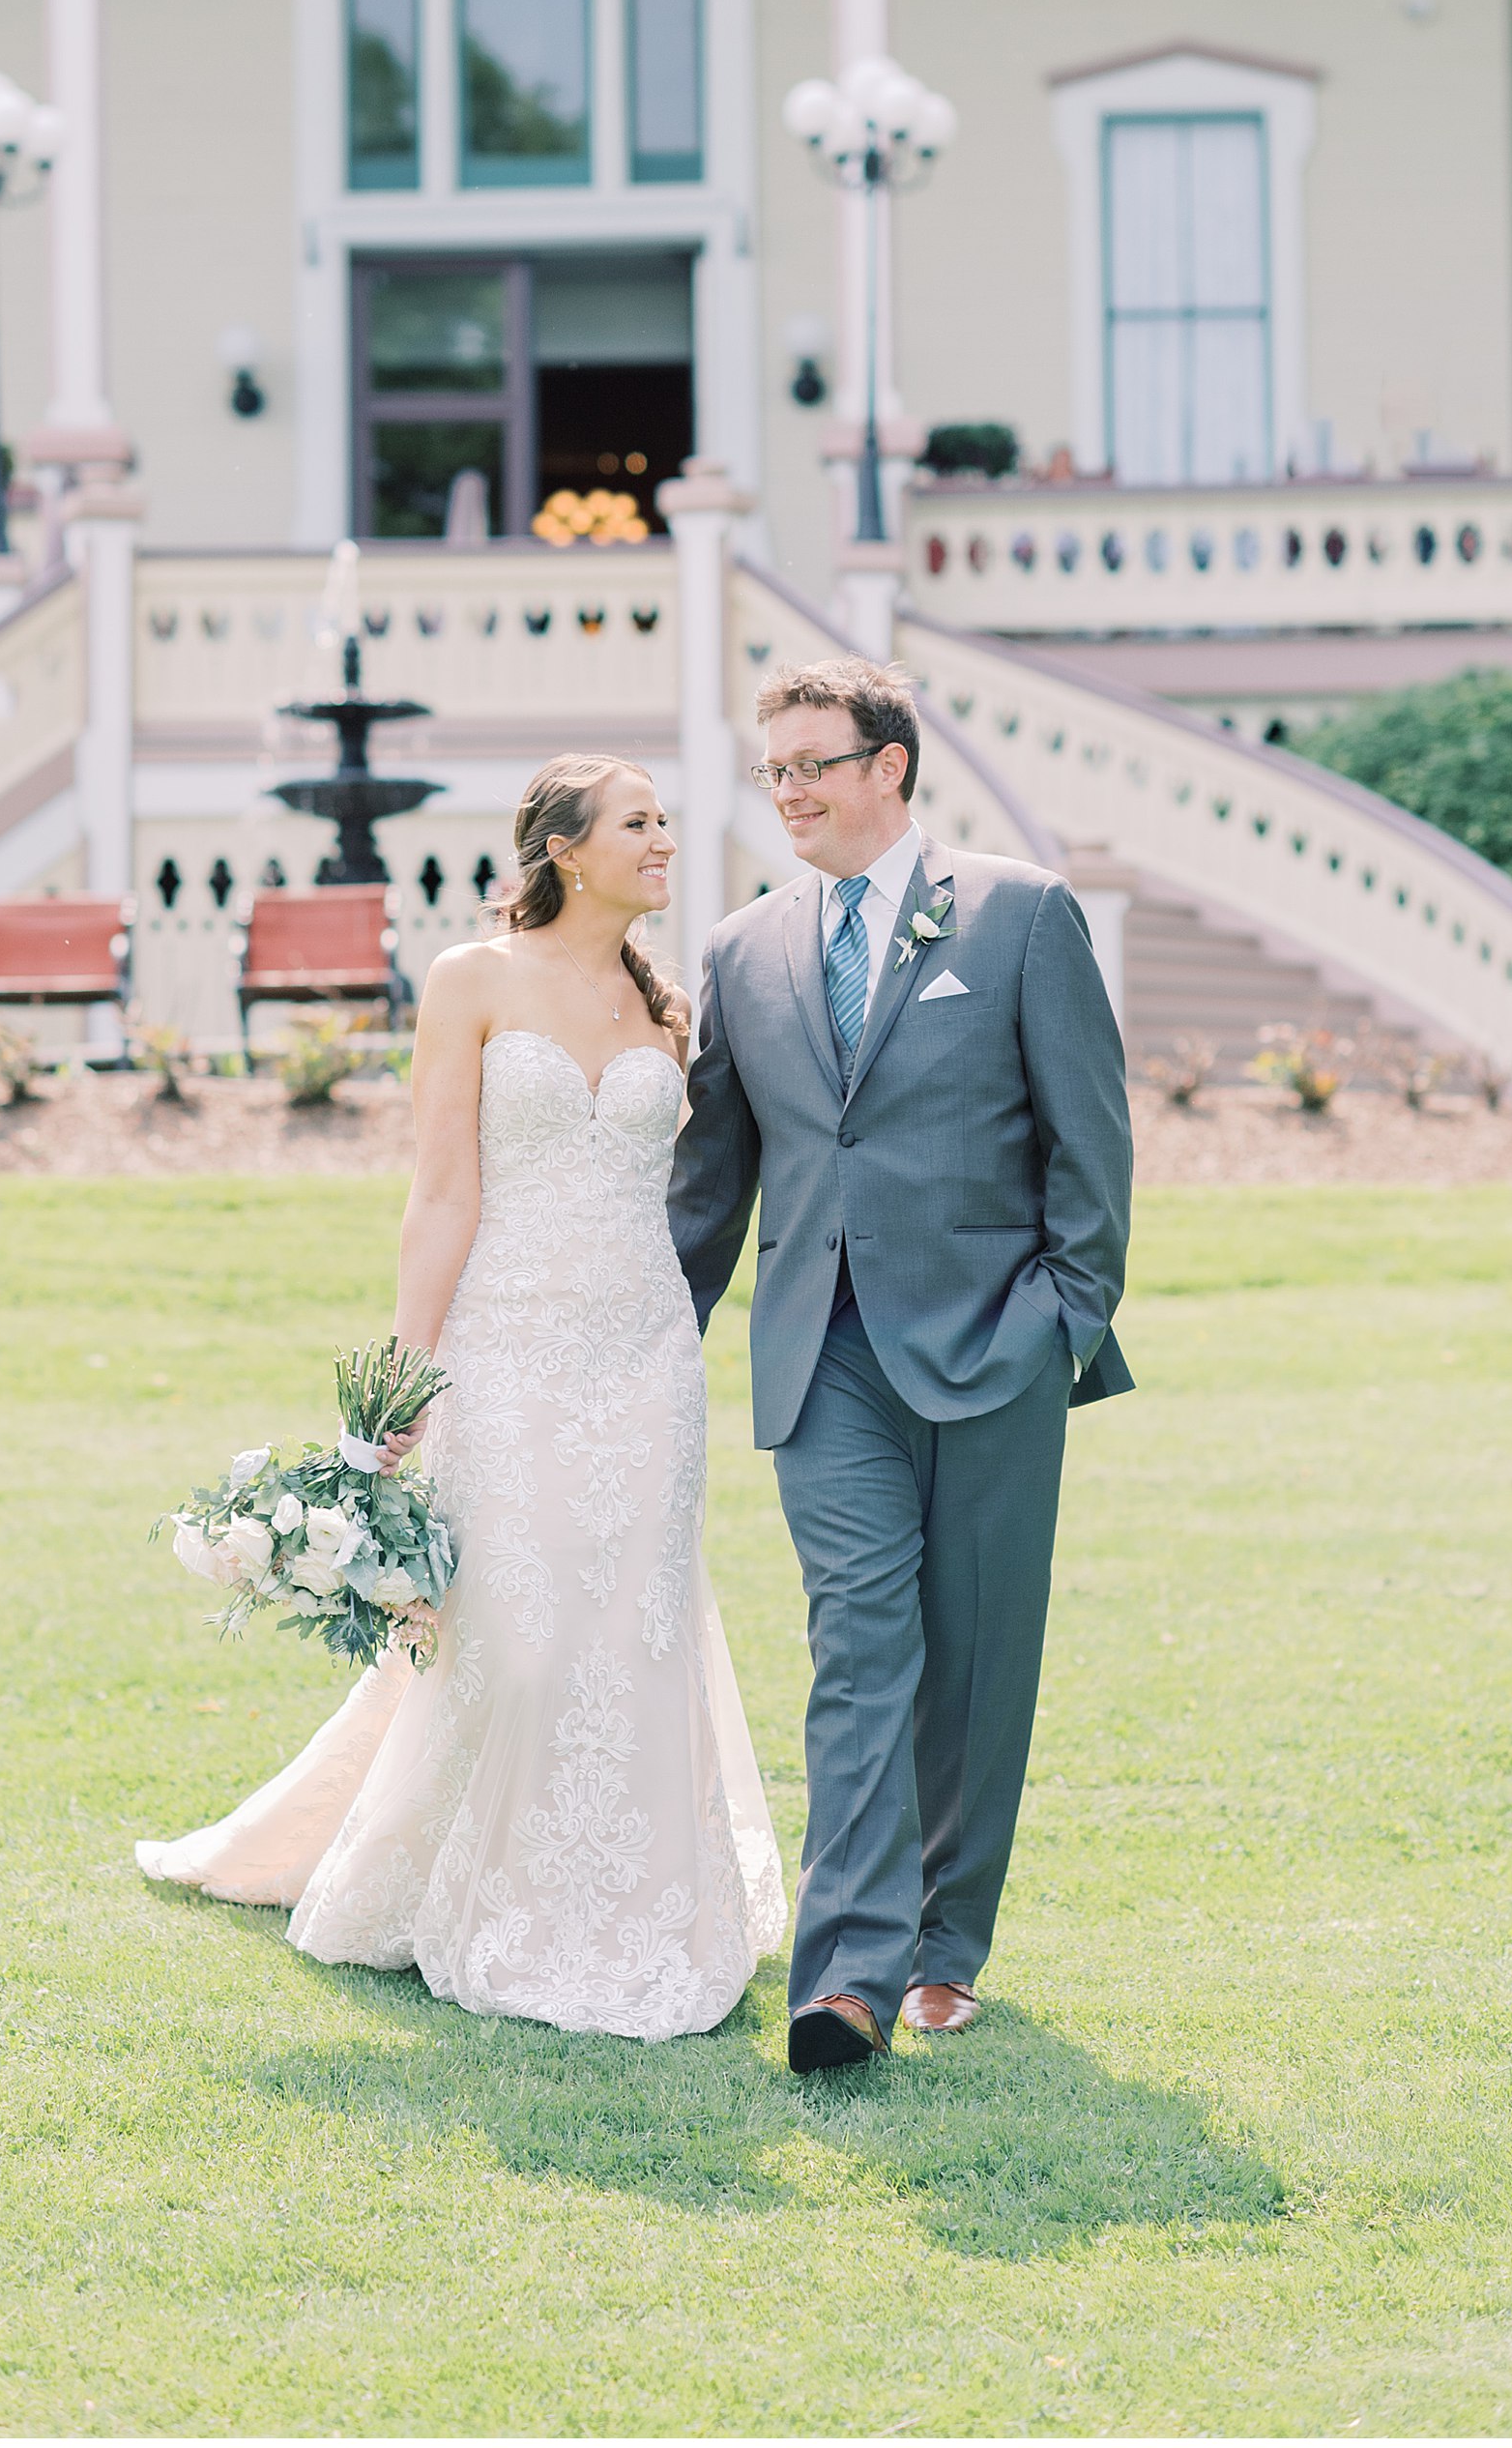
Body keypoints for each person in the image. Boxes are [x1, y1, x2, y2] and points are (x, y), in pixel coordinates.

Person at [137, 754, 784, 2042]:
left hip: (646, 1353)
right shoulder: (470, 980)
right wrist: (408, 1372)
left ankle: (644, 1903)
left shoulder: (670, 1010)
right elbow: (441, 1191)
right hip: (509, 1346)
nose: (665, 840)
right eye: (639, 823)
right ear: (565, 849)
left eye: (666, 820)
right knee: (518, 1628)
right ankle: (476, 1886)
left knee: (638, 1621)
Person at [667, 656, 1133, 2075]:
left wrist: (1064, 1318)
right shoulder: (743, 950)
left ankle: (946, 1947)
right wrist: (639, 1334)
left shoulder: (1021, 913)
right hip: (822, 1357)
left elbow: (1092, 1143)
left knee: (976, 1657)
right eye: (775, 769)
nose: (790, 791)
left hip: (997, 1346)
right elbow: (711, 1182)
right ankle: (846, 1981)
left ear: (891, 767)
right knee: (861, 1645)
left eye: (814, 763)